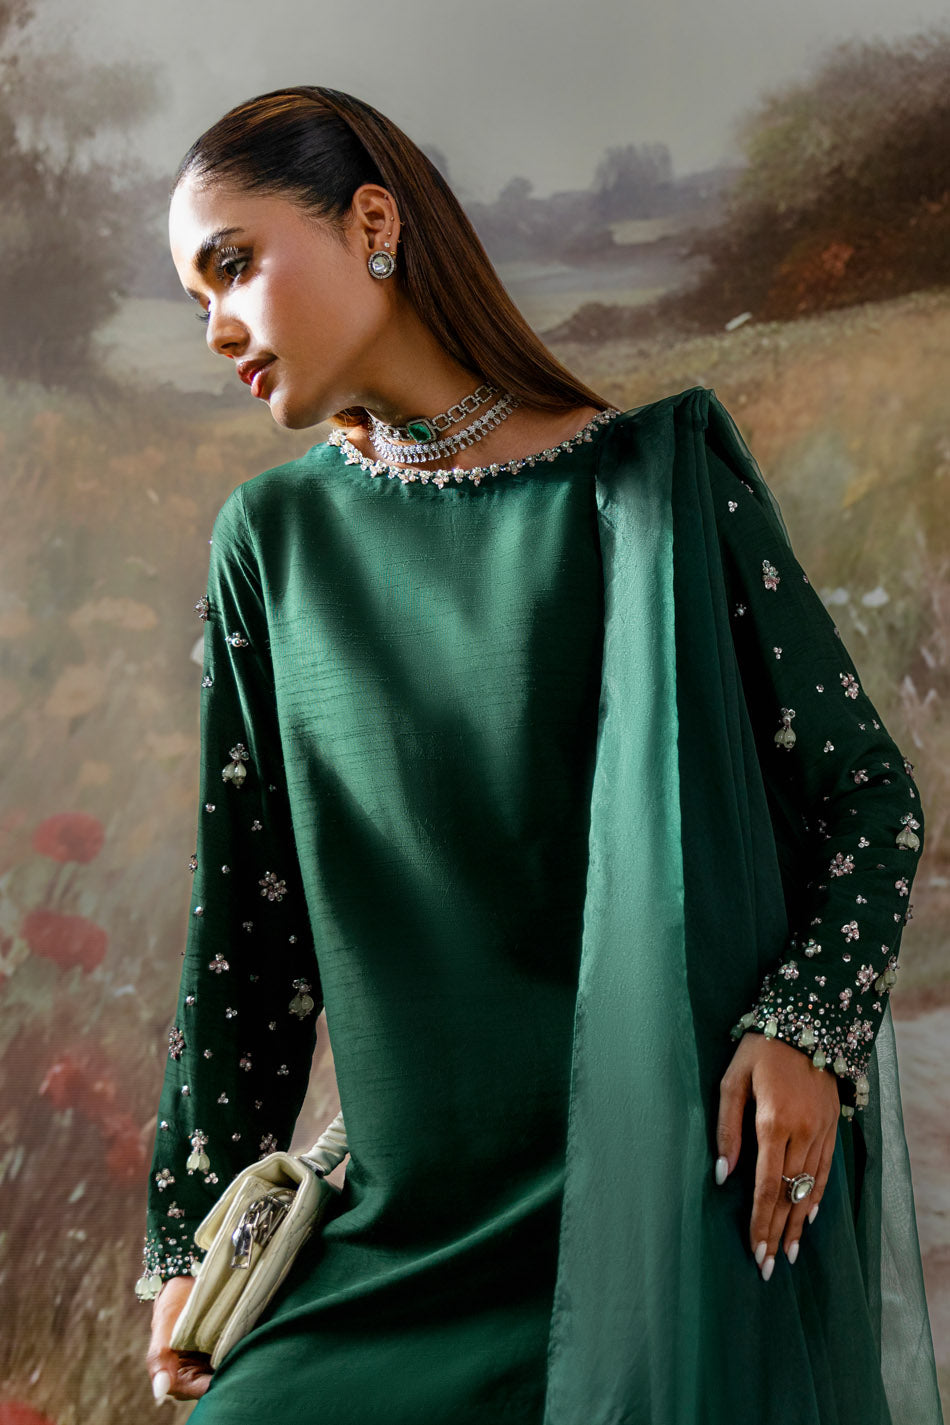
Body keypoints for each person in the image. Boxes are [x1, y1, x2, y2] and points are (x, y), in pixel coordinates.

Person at [139, 86, 943, 1424]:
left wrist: (805, 1027)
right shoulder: (270, 547)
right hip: (408, 1235)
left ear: (373, 224)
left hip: (662, 1202)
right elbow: (248, 935)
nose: (217, 324)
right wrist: (189, 1242)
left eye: (232, 264)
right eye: (193, 296)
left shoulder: (655, 490)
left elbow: (868, 798)